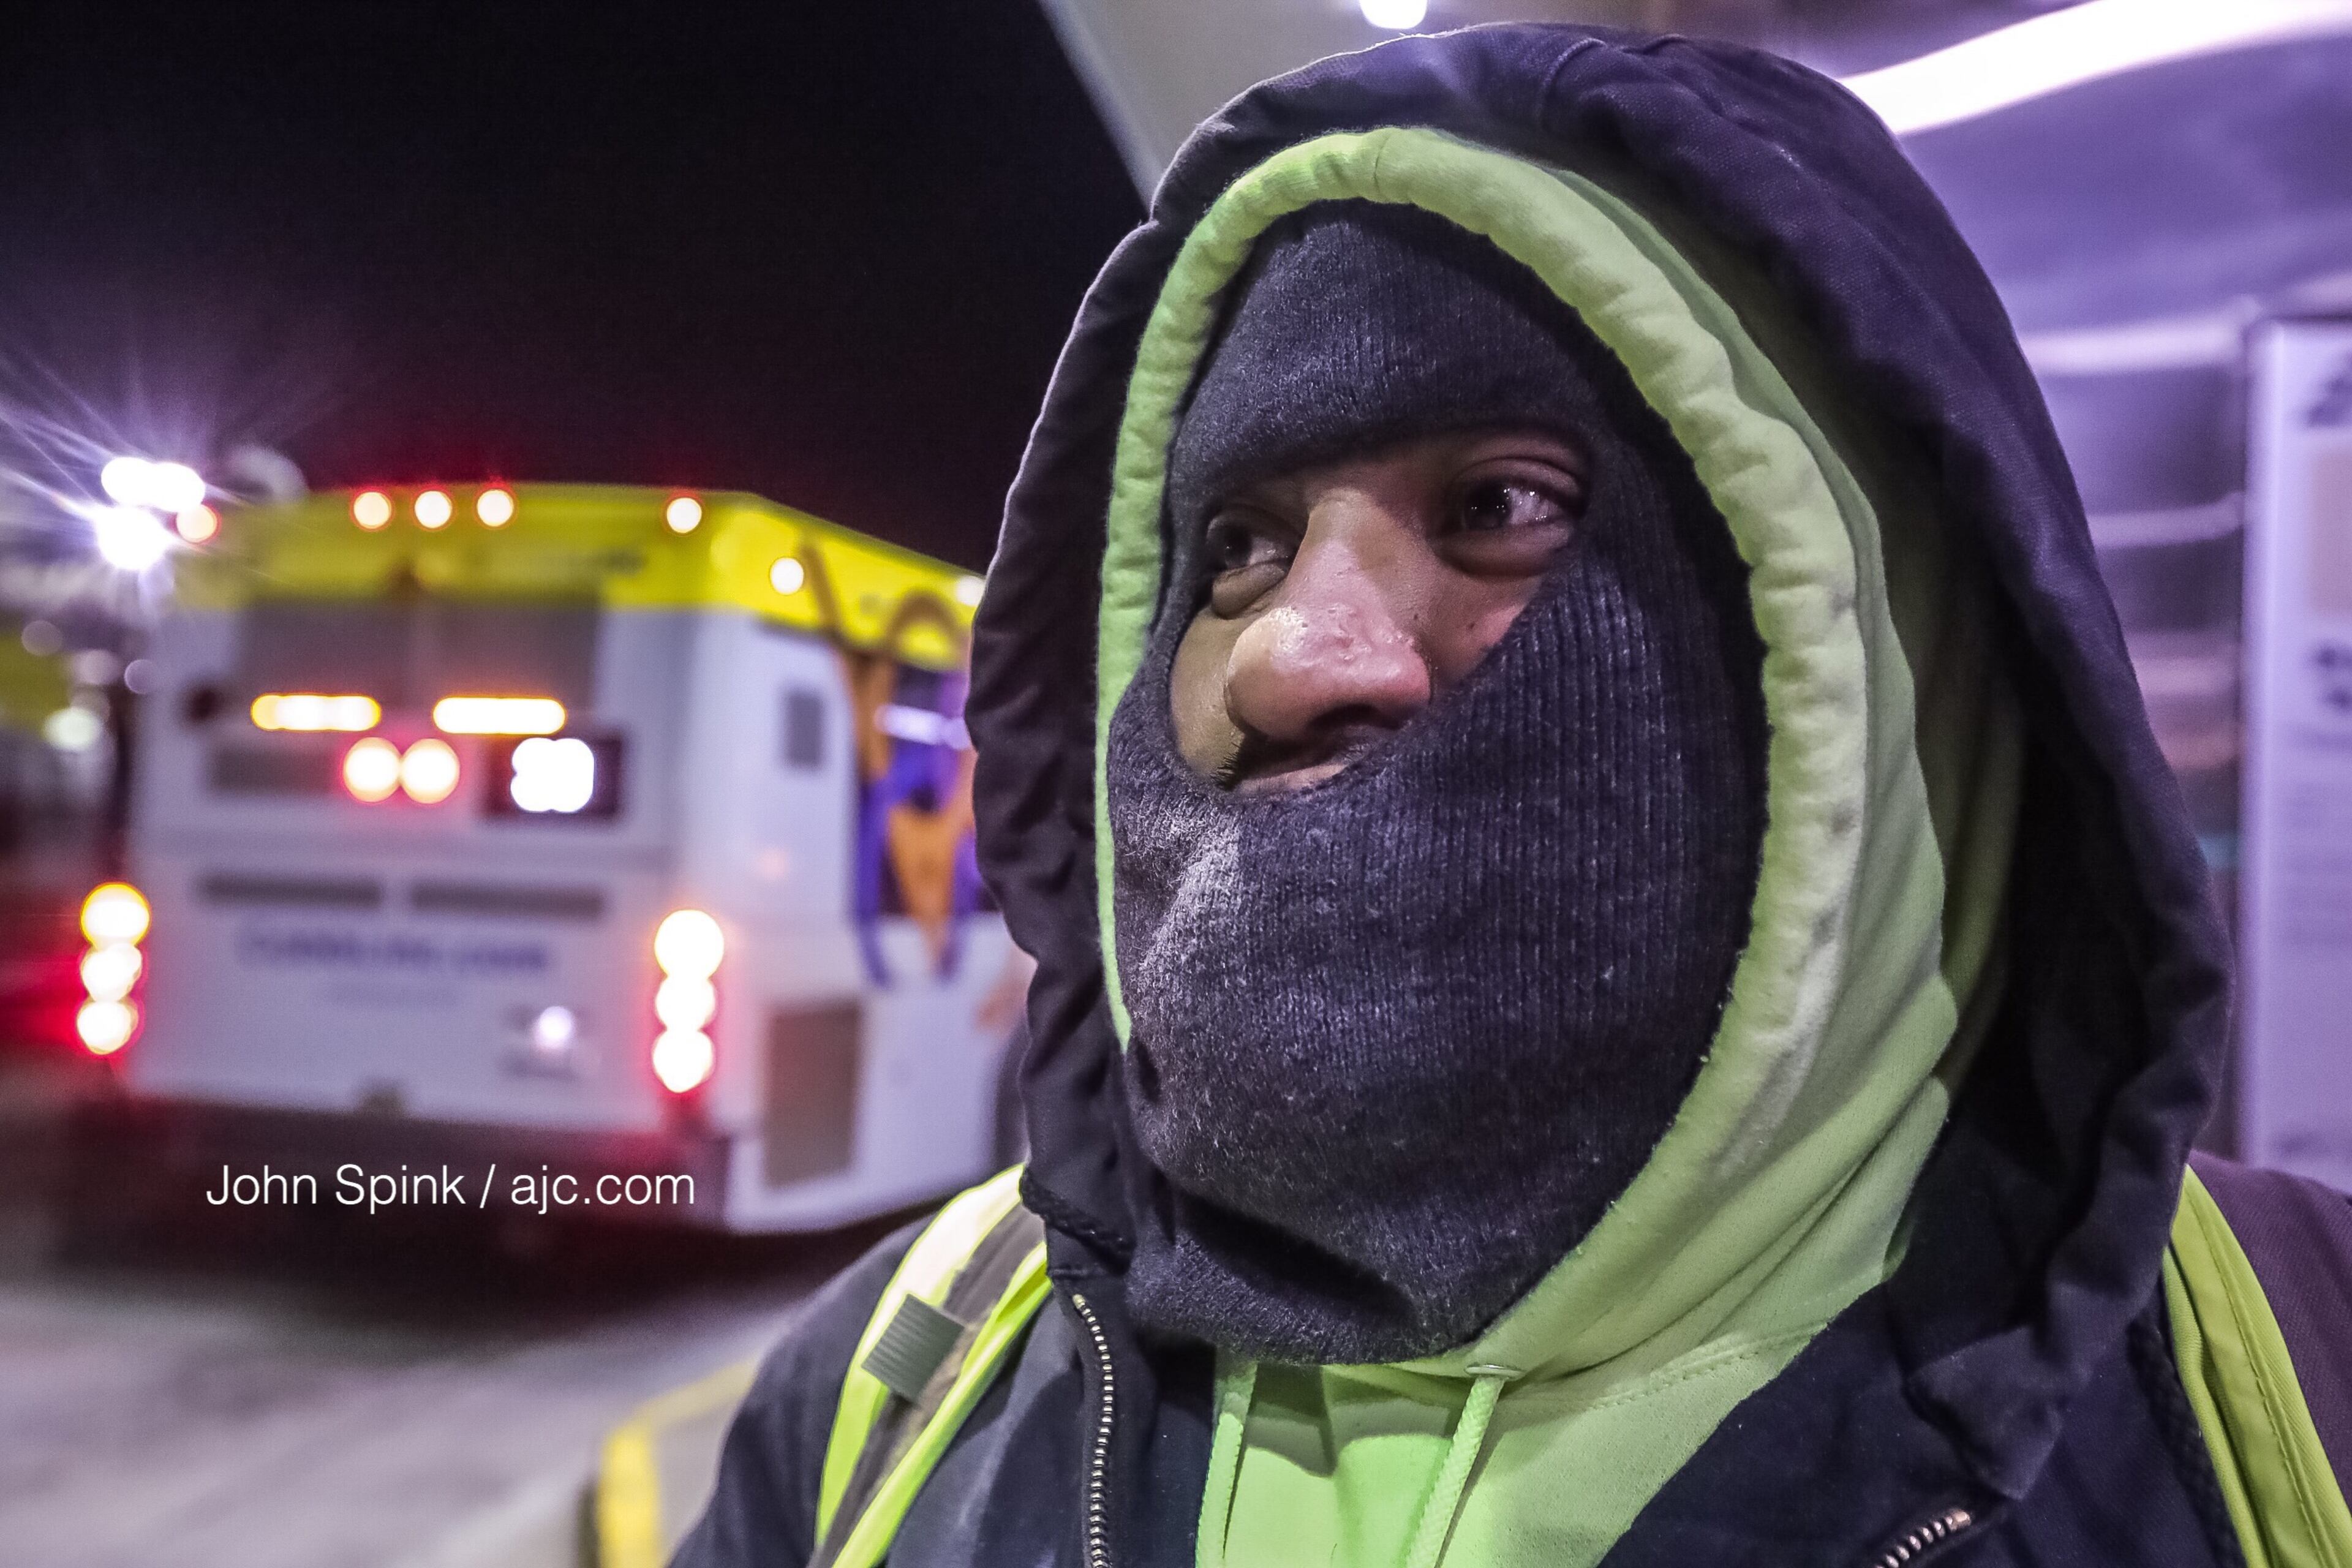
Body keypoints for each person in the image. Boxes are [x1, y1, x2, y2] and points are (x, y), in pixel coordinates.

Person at [678, 23, 2352, 1567]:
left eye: (1501, 504)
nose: (1288, 656)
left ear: (1880, 647)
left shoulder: (2293, 1390)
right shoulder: (897, 1377)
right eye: (1239, 548)